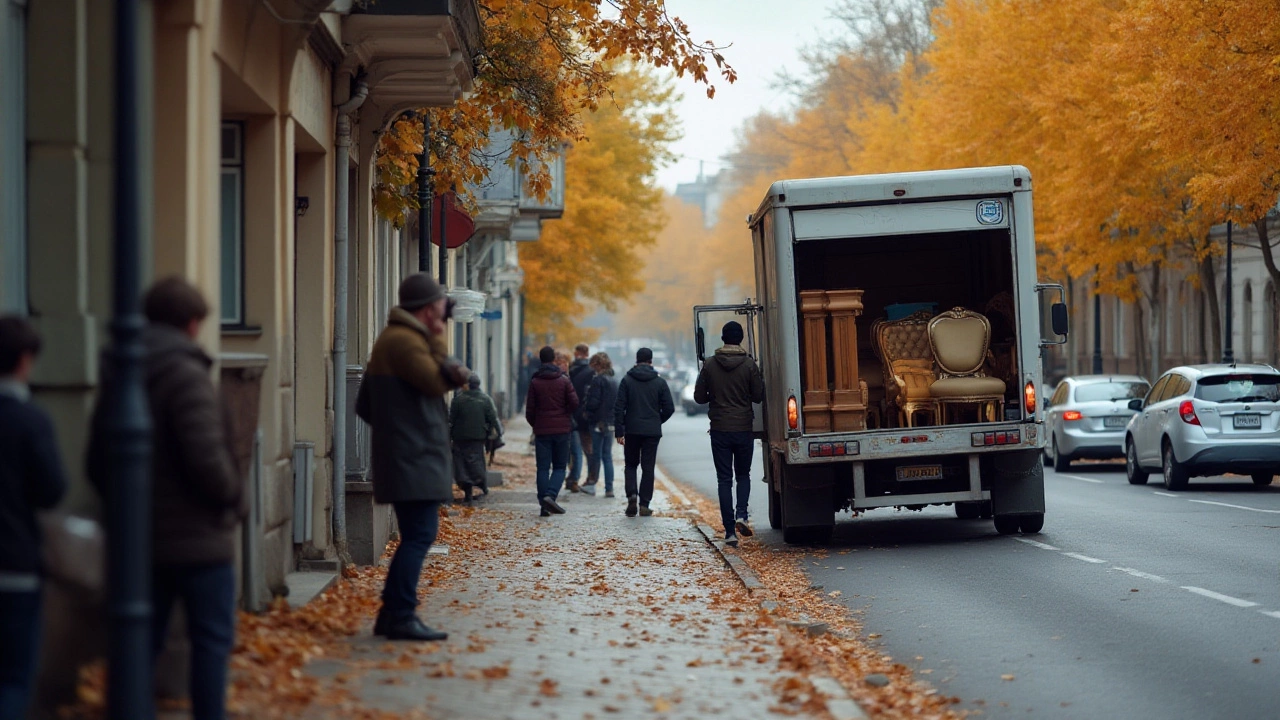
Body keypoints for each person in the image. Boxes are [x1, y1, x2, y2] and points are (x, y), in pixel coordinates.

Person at [88, 278, 244, 720]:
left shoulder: (120, 373)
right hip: (199, 539)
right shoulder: (186, 373)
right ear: (192, 324)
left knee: (141, 639)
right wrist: (233, 496)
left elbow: (97, 463)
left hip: (140, 538)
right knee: (210, 639)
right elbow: (207, 460)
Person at [357, 273, 470, 642]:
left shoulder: (397, 339)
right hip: (413, 456)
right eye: (440, 305)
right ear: (427, 309)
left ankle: (393, 613)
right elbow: (438, 382)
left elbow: (364, 405)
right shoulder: (406, 342)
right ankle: (400, 615)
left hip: (406, 454)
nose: (443, 311)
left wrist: (396, 427)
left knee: (416, 534)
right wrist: (439, 339)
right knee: (420, 535)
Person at [0, 316, 68, 719]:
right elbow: (52, 490)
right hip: (14, 564)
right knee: (13, 677)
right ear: (25, 361)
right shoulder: (31, 421)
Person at [694, 321, 765, 547]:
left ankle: (729, 532)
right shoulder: (749, 365)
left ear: (723, 338)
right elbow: (758, 396)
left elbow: (699, 397)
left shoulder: (709, 365)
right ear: (741, 338)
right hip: (743, 428)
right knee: (743, 475)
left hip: (720, 430)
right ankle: (741, 515)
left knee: (724, 479)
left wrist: (715, 395)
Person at [614, 347, 674, 518]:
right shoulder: (659, 382)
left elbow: (619, 407)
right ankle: (644, 504)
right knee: (648, 468)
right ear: (651, 361)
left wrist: (620, 430)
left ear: (636, 360)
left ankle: (631, 495)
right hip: (651, 432)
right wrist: (656, 420)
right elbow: (669, 408)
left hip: (632, 430)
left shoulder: (627, 380)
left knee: (631, 465)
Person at [525, 345, 578, 516]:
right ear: (554, 359)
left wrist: (536, 424)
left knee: (542, 468)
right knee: (560, 466)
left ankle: (543, 505)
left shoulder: (535, 381)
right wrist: (565, 415)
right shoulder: (563, 380)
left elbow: (530, 410)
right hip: (562, 430)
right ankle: (551, 496)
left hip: (542, 431)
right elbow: (574, 403)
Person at [450, 374, 499, 502]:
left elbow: (451, 420)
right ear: (479, 384)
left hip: (459, 437)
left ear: (468, 385)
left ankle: (468, 490)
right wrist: (496, 433)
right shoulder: (485, 399)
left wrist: (448, 436)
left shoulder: (458, 400)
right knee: (476, 460)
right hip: (478, 437)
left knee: (461, 464)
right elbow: (493, 418)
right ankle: (481, 482)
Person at [581, 352, 619, 498]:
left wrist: (587, 411)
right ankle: (609, 488)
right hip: (610, 422)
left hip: (597, 422)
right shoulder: (614, 380)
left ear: (597, 365)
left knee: (595, 455)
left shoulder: (598, 380)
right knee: (607, 455)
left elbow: (594, 402)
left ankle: (591, 484)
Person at [565, 343, 593, 494]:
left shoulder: (571, 370)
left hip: (572, 415)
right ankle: (588, 479)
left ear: (576, 353)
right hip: (585, 416)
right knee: (587, 450)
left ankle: (574, 478)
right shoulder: (590, 372)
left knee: (575, 450)